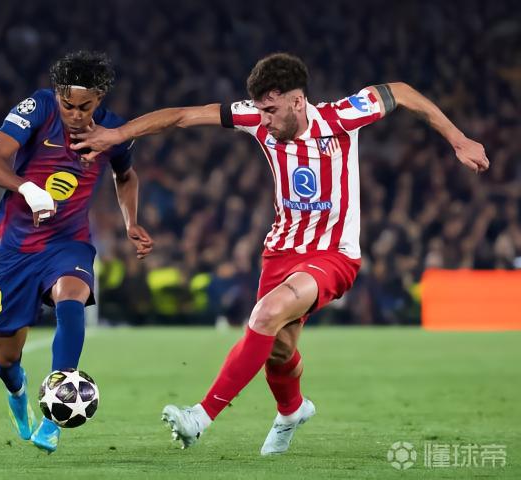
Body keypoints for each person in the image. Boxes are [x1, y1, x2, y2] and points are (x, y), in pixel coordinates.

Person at [70, 52, 488, 454]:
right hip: (280, 253)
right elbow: (183, 116)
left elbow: (401, 91)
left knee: (266, 314)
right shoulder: (256, 119)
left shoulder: (343, 117)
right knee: (278, 350)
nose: (264, 120)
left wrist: (458, 139)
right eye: (260, 111)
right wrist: (117, 135)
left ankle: (200, 417)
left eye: (271, 110)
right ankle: (291, 411)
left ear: (297, 101)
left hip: (333, 254)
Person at [0, 51, 154, 453]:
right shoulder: (38, 107)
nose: (74, 114)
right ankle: (18, 394)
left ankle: (55, 413)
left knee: (71, 300)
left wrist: (131, 221)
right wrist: (27, 188)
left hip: (68, 241)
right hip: (17, 247)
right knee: (6, 358)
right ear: (56, 94)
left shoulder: (113, 130)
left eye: (84, 107)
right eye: (67, 105)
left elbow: (126, 175)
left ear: (100, 98)